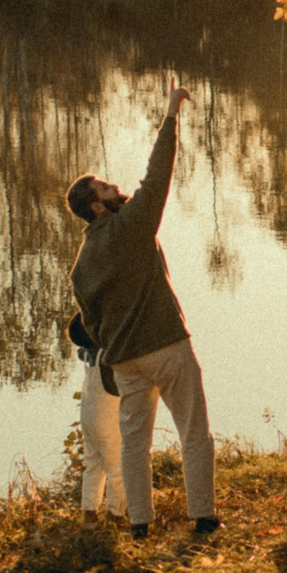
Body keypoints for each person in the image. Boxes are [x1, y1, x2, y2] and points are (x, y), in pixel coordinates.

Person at [68, 86, 218, 539]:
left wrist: (114, 346)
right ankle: (203, 516)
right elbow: (158, 175)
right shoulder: (132, 225)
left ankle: (139, 524)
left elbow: (90, 326)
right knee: (194, 431)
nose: (116, 187)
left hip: (125, 361)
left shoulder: (81, 266)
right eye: (106, 187)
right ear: (98, 207)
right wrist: (170, 115)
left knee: (134, 443)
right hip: (166, 345)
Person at [68, 314, 124, 521]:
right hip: (107, 419)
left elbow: (80, 352)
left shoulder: (87, 354)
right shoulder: (105, 356)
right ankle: (116, 513)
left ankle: (89, 513)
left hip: (89, 418)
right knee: (116, 467)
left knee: (92, 465)